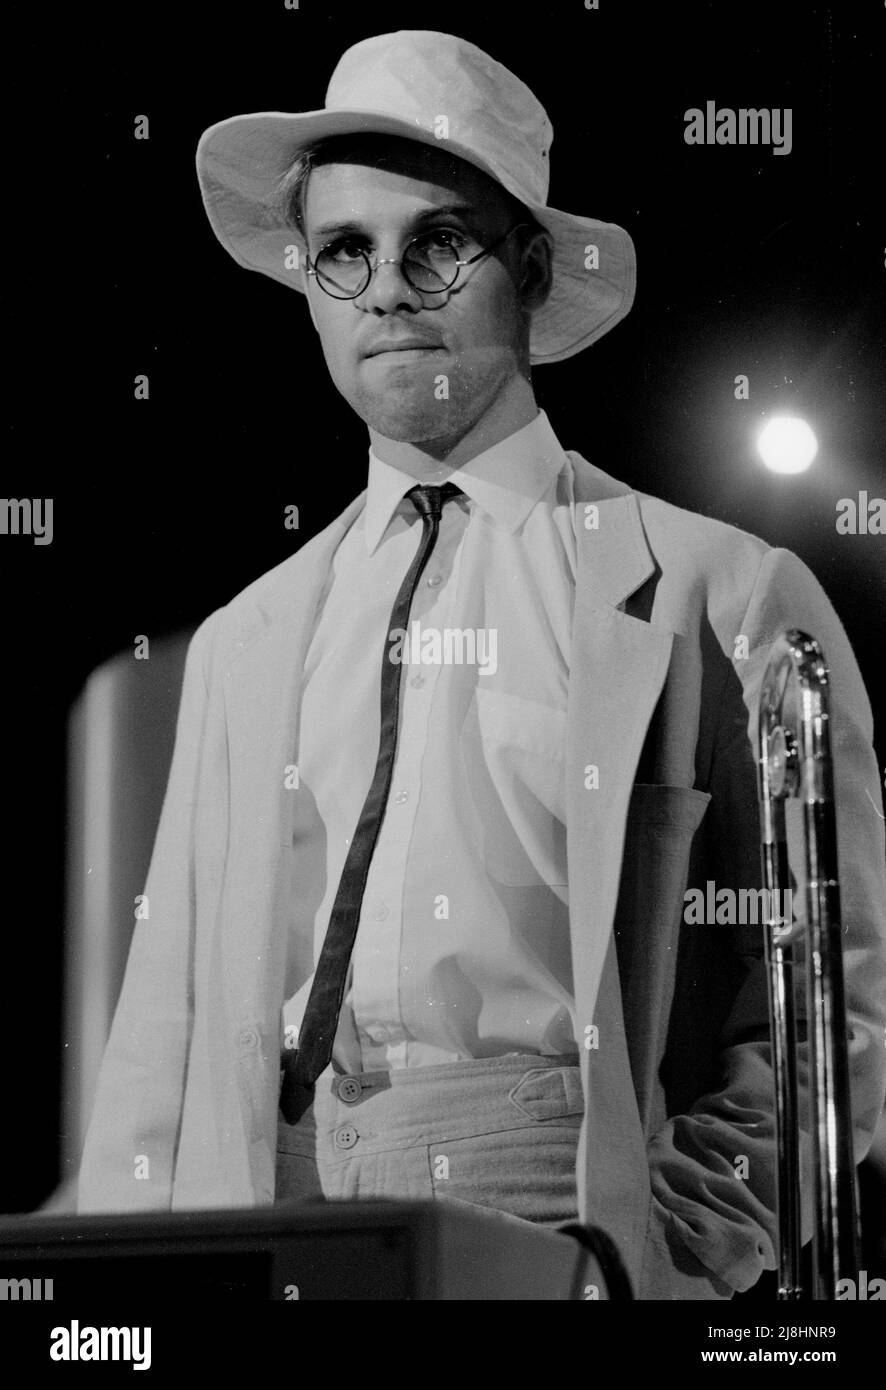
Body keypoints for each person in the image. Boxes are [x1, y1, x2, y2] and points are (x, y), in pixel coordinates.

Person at [76, 29, 886, 1300]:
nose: (387, 288)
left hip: (566, 1231)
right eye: (345, 250)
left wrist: (664, 1254)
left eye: (437, 241)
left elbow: (824, 1004)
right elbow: (157, 1044)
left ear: (529, 264)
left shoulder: (719, 590)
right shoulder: (243, 643)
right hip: (280, 1236)